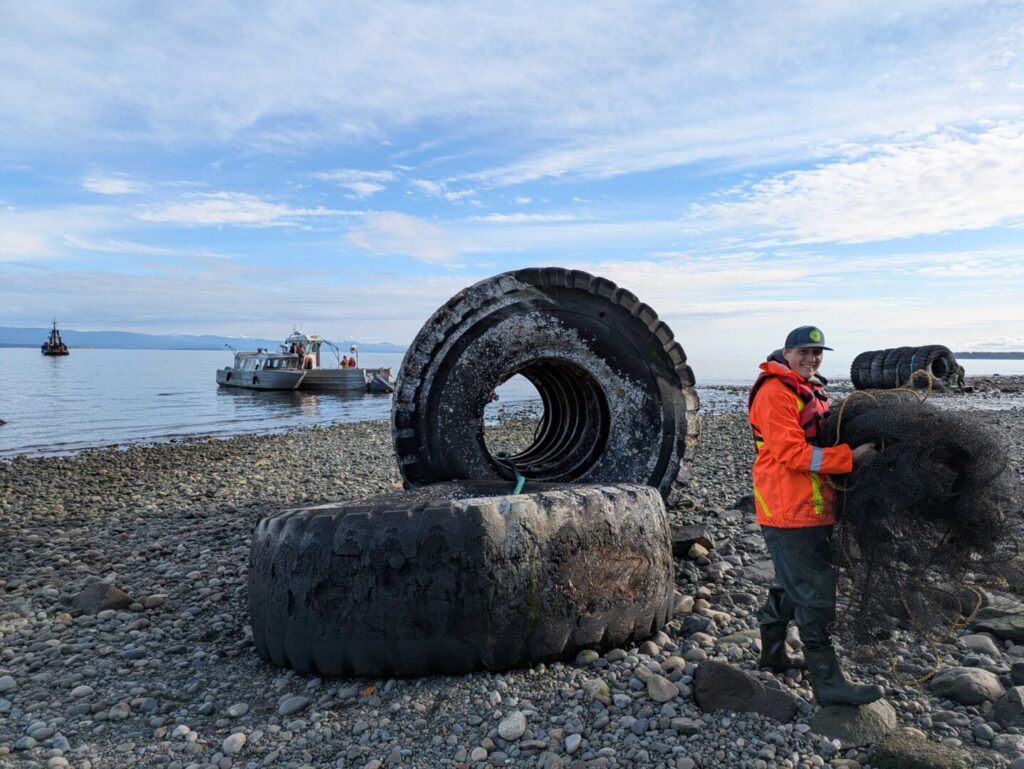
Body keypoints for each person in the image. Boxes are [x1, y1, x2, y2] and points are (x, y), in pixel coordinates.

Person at [748, 326, 884, 707]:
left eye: (817, 353)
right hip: (789, 507)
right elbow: (794, 454)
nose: (811, 359)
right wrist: (850, 458)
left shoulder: (806, 387)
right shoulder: (775, 393)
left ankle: (772, 654)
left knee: (788, 579)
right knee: (816, 594)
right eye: (804, 352)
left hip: (809, 504)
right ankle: (827, 683)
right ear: (787, 352)